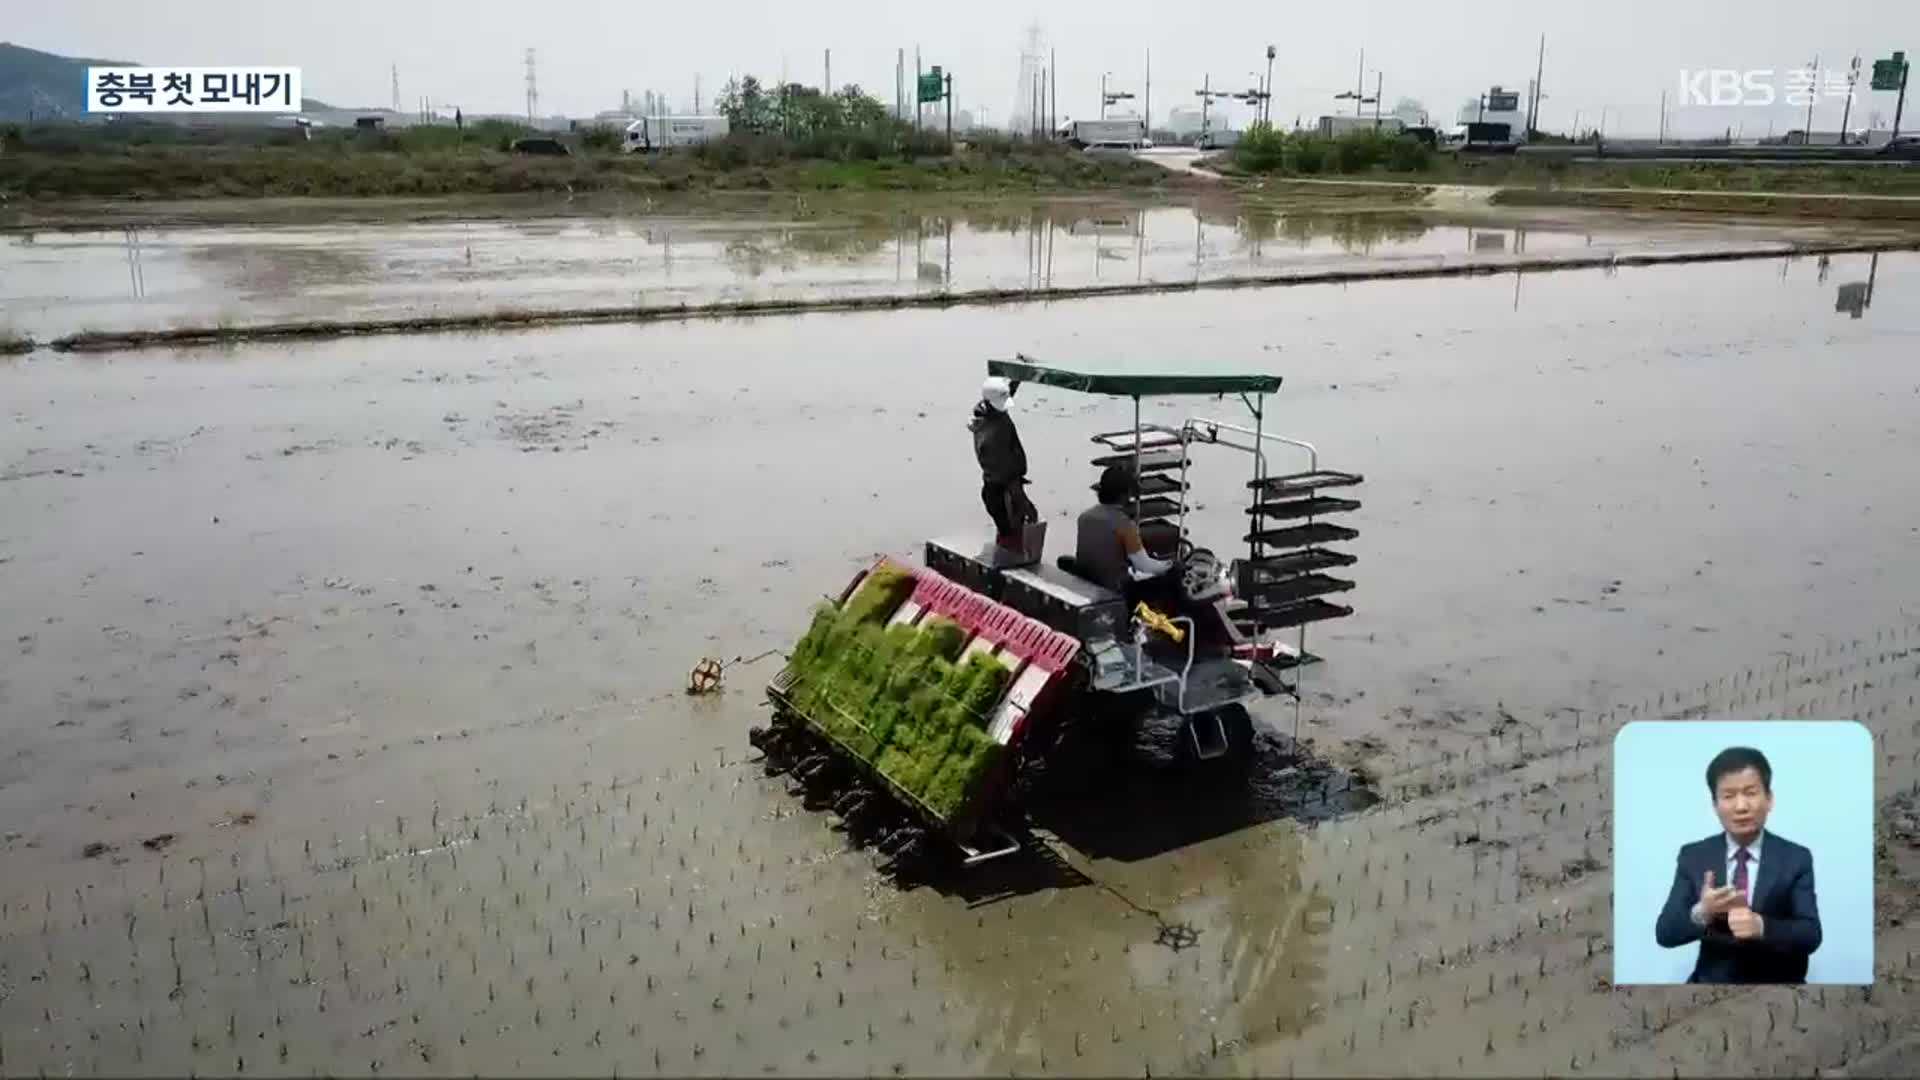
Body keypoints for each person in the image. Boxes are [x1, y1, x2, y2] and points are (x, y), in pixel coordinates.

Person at [1654, 746, 1823, 984]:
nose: (1741, 806)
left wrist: (1762, 926)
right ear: (1715, 805)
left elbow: (1811, 934)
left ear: (1769, 799)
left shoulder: (1796, 858)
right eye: (1729, 796)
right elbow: (1665, 933)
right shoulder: (1694, 856)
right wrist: (1702, 912)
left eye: (1751, 792)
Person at [1074, 463, 1176, 605]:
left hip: (1089, 583)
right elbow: (1144, 566)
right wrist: (1171, 565)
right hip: (1115, 589)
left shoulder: (1084, 517)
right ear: (1125, 495)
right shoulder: (1124, 525)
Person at [970, 376, 1037, 555]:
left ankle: (1005, 552)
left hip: (993, 486)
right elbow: (1008, 478)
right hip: (1003, 490)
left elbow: (1002, 397)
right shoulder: (994, 435)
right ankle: (1008, 567)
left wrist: (1018, 377)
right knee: (1011, 535)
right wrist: (1024, 502)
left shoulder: (987, 415)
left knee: (1005, 531)